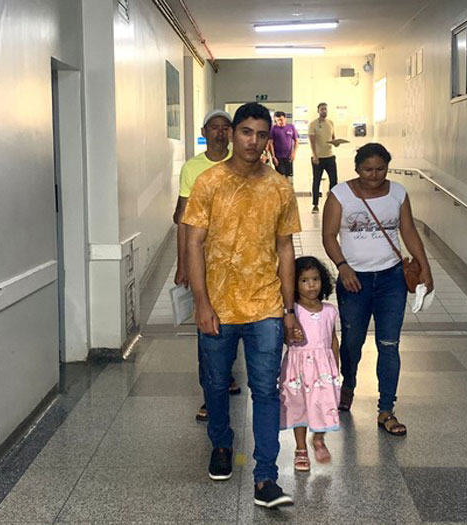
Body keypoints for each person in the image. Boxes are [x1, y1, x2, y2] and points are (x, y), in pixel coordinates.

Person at [183, 102, 302, 508]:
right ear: (233, 135)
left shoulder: (280, 187)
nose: (254, 141)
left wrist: (289, 310)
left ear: (270, 138)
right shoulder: (209, 182)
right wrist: (201, 302)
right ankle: (221, 444)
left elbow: (286, 248)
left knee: (265, 390)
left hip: (265, 305)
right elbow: (194, 242)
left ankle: (266, 477)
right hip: (217, 304)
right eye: (246, 132)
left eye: (262, 134)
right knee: (216, 384)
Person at [322, 142, 433, 436]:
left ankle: (386, 409)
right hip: (353, 280)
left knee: (389, 344)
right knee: (351, 343)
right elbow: (329, 235)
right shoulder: (340, 195)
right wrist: (342, 266)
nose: (374, 175)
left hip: (391, 279)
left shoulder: (397, 192)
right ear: (357, 168)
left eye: (380, 169)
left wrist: (424, 266)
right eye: (367, 169)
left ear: (388, 167)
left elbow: (407, 230)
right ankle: (349, 382)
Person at [172, 109, 240, 422]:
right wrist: (182, 263)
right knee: (207, 325)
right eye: (215, 128)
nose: (220, 133)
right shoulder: (193, 168)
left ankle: (226, 376)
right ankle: (209, 393)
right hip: (204, 259)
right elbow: (184, 220)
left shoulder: (244, 166)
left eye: (226, 128)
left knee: (234, 321)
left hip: (239, 261)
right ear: (204, 131)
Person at [279, 256, 341, 472]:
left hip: (323, 369)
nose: (311, 285)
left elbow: (333, 338)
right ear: (293, 284)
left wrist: (335, 364)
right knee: (300, 407)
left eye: (315, 279)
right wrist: (291, 335)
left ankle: (319, 438)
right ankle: (300, 449)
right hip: (298, 369)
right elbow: (286, 341)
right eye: (304, 280)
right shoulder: (292, 311)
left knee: (324, 403)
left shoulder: (330, 311)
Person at [308, 103, 339, 213]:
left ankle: (333, 203)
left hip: (330, 156)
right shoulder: (313, 124)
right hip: (318, 158)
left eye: (325, 109)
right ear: (318, 111)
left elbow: (333, 138)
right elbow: (312, 141)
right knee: (317, 181)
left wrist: (336, 143)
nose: (324, 111)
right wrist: (315, 156)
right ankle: (315, 205)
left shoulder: (330, 123)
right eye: (322, 109)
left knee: (334, 180)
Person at [268, 111, 299, 180]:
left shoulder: (291, 127)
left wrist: (294, 153)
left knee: (288, 176)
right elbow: (270, 143)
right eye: (278, 120)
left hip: (288, 156)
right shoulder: (273, 129)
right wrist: (273, 157)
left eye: (281, 119)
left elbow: (296, 141)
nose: (280, 122)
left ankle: (287, 190)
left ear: (285, 119)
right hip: (278, 156)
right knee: (281, 176)